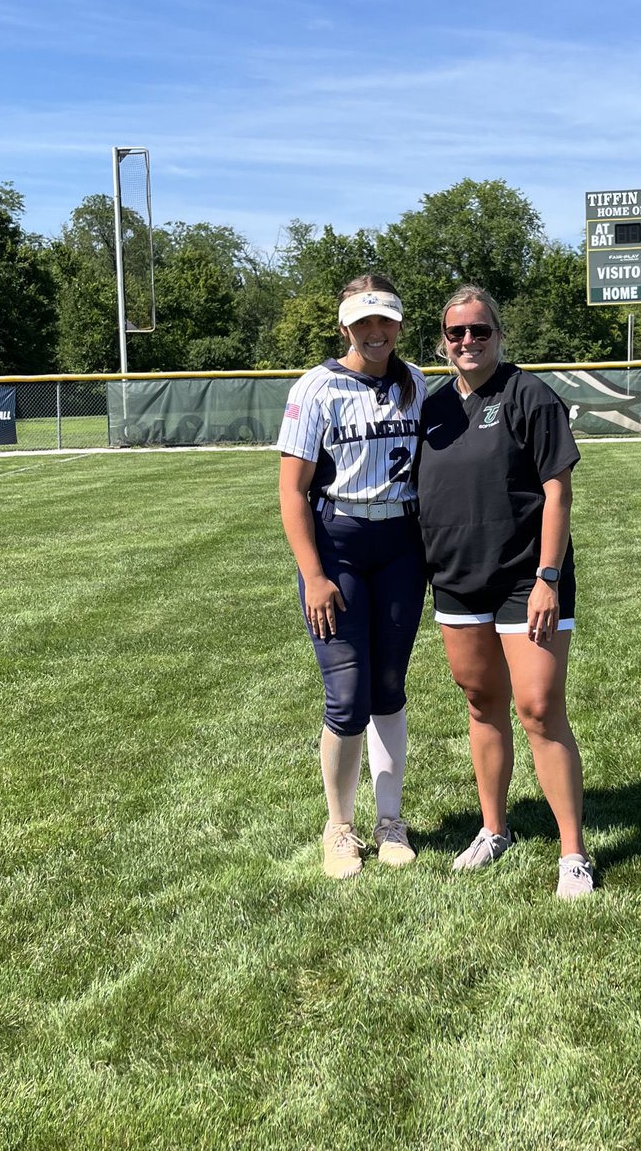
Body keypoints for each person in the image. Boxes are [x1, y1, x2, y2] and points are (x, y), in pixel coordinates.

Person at [415, 284, 593, 899]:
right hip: (458, 579)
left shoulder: (529, 395)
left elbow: (557, 492)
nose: (468, 341)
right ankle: (495, 829)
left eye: (479, 331)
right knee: (480, 703)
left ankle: (573, 851)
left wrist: (547, 578)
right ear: (443, 341)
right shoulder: (432, 409)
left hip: (526, 578)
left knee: (539, 708)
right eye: (456, 333)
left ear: (498, 335)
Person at [277, 274, 426, 879]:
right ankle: (340, 826)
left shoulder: (415, 382)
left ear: (398, 324)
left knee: (389, 686)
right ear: (344, 326)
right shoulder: (316, 387)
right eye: (362, 321)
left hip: (401, 544)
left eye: (384, 319)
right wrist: (313, 574)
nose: (374, 331)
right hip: (339, 542)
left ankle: (390, 819)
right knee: (346, 695)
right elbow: (291, 490)